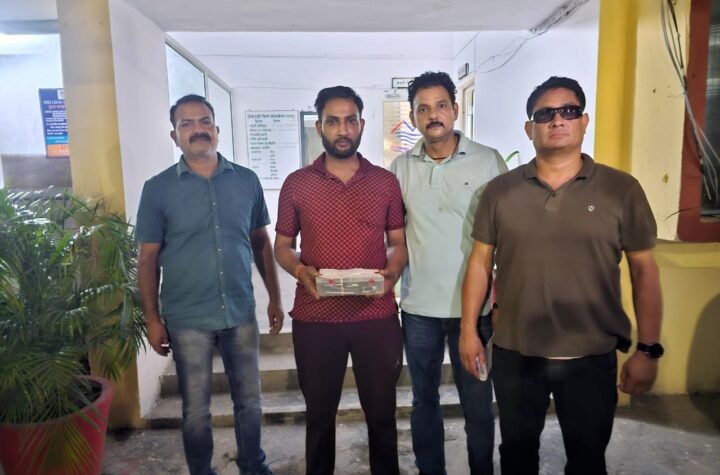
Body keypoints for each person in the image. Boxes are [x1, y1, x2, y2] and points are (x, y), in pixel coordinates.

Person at [460, 76, 664, 475]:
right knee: (517, 456)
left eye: (569, 111)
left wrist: (648, 350)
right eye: (545, 114)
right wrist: (469, 331)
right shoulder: (500, 192)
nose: (557, 120)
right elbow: (479, 263)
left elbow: (644, 271)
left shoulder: (621, 190)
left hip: (590, 356)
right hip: (517, 354)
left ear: (584, 121)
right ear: (529, 128)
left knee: (588, 460)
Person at [136, 94, 283, 475]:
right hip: (187, 318)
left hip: (239, 311)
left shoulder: (246, 181)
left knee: (249, 401)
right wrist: (152, 318)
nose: (197, 129)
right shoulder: (158, 189)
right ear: (175, 136)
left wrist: (274, 298)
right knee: (196, 410)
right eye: (186, 123)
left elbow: (260, 242)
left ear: (216, 130)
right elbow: (148, 258)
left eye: (204, 121)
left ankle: (253, 465)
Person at [274, 86, 407, 475]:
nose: (342, 130)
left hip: (376, 315)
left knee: (382, 416)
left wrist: (392, 272)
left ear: (362, 125)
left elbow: (398, 243)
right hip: (316, 316)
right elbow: (283, 246)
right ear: (319, 127)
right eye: (333, 121)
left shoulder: (384, 182)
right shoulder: (297, 183)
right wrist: (301, 271)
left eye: (350, 120)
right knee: (318, 418)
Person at [389, 71, 507, 475]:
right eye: (423, 109)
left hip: (474, 312)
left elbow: (507, 235)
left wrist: (500, 300)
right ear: (413, 117)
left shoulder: (488, 160)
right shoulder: (400, 168)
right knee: (424, 402)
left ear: (455, 109)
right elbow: (394, 235)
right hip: (419, 310)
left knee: (478, 404)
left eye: (441, 106)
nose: (433, 115)